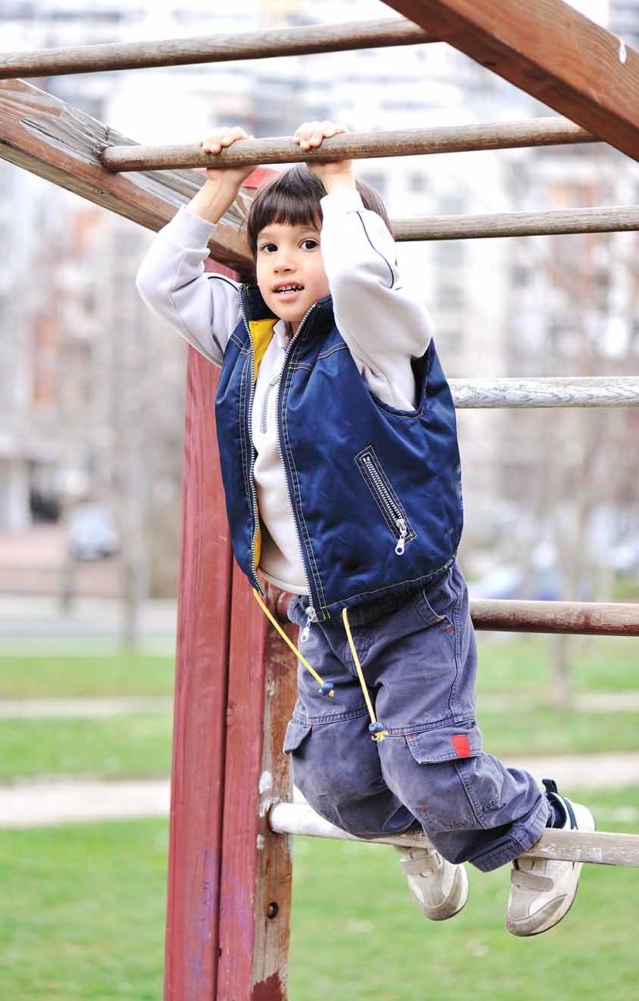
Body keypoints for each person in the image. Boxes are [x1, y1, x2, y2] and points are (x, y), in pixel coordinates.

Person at [135, 120, 595, 936]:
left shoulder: (377, 338)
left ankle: (545, 824)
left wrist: (340, 182)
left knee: (434, 771)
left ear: (348, 250)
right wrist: (214, 191)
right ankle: (415, 836)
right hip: (321, 612)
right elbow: (161, 283)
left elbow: (361, 276)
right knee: (334, 781)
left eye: (306, 244)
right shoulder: (248, 342)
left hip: (406, 603)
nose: (283, 261)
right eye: (269, 246)